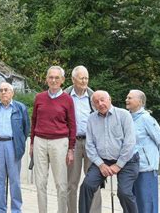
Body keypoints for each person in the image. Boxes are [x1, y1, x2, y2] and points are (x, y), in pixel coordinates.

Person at [79, 90, 139, 213]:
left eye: (102, 100)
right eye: (96, 102)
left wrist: (118, 165)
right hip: (103, 160)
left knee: (124, 193)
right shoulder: (91, 119)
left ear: (109, 99)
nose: (100, 103)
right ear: (93, 105)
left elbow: (130, 143)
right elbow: (89, 146)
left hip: (127, 160)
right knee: (87, 186)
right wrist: (101, 165)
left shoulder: (124, 115)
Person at [29, 65, 76, 213]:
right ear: (46, 79)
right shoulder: (39, 97)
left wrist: (70, 149)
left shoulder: (67, 99)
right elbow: (34, 120)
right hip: (40, 142)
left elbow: (72, 124)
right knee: (40, 183)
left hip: (59, 142)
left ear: (62, 80)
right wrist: (31, 143)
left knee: (61, 184)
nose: (53, 80)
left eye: (57, 77)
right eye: (51, 77)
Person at [64, 66, 102, 213]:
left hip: (91, 144)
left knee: (94, 181)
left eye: (86, 78)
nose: (85, 81)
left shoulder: (95, 97)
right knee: (71, 183)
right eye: (81, 78)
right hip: (72, 143)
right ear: (73, 79)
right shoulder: (65, 96)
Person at [0, 82, 30, 213]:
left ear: (12, 93)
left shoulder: (20, 107)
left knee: (14, 180)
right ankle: (1, 209)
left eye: (6, 90)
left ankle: (16, 209)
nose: (3, 92)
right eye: (0, 90)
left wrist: (20, 143)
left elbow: (26, 128)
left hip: (13, 145)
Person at [126, 89, 160, 213]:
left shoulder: (146, 119)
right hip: (129, 168)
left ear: (140, 102)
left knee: (147, 204)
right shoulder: (126, 118)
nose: (126, 100)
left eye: (130, 98)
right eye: (127, 97)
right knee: (133, 204)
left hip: (145, 169)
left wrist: (152, 159)